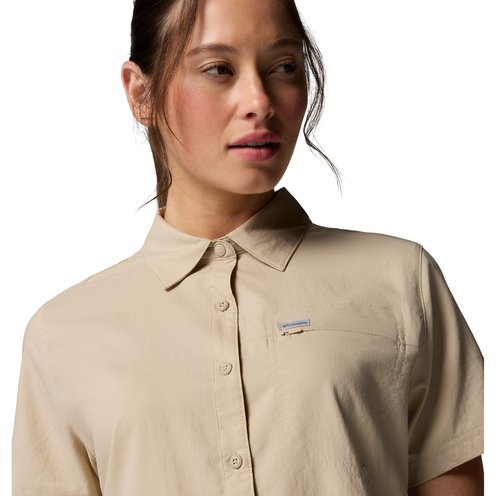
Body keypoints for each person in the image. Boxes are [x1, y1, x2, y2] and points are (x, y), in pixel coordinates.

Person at [12, 0, 484, 494]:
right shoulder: (62, 335)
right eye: (219, 69)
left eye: (284, 67)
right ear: (140, 92)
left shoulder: (401, 279)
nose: (260, 101)